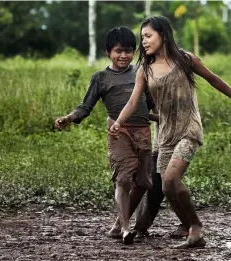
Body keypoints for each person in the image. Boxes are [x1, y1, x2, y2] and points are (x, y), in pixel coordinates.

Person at [108, 16, 231, 248]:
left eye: (148, 36)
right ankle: (193, 230)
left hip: (189, 128)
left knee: (170, 179)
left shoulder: (186, 60)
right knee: (168, 186)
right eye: (142, 38)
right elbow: (132, 102)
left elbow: (215, 80)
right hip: (165, 134)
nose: (144, 42)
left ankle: (196, 227)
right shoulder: (145, 70)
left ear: (164, 35)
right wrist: (118, 122)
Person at [54, 26, 157, 244]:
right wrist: (69, 118)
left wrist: (169, 117)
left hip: (143, 133)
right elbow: (85, 106)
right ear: (107, 52)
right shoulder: (101, 78)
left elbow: (150, 104)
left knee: (143, 183)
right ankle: (126, 229)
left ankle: (119, 225)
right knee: (122, 180)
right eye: (119, 51)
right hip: (118, 133)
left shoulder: (141, 72)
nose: (124, 55)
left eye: (129, 50)